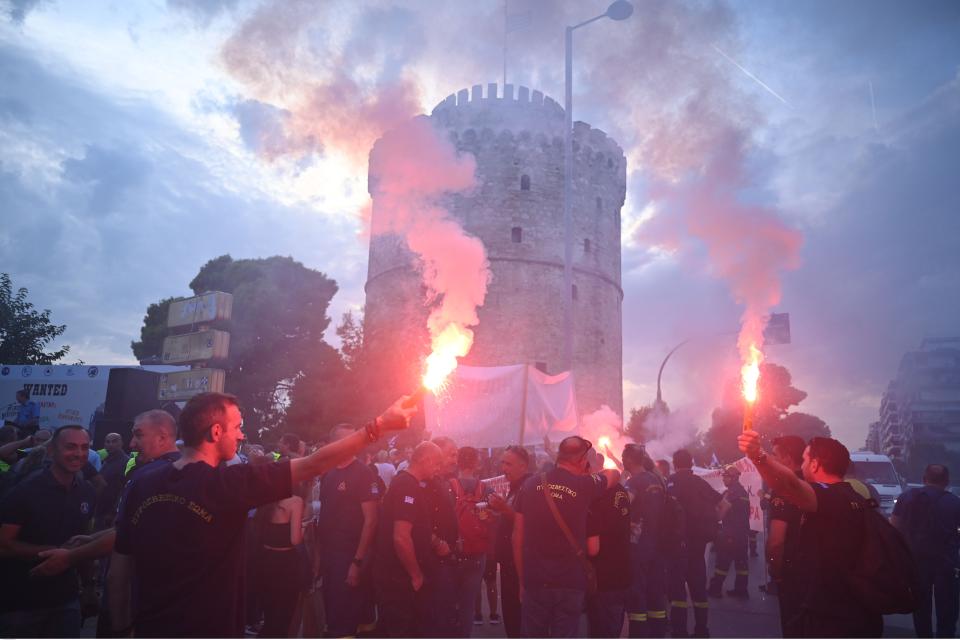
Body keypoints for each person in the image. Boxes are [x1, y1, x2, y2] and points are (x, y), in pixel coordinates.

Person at [108, 391, 414, 638]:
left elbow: (119, 567)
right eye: (238, 427)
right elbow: (312, 465)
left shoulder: (142, 483)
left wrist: (121, 629)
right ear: (216, 431)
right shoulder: (229, 484)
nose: (242, 436)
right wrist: (378, 426)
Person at [738, 430, 884, 637]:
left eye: (805, 459)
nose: (802, 464)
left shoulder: (830, 496)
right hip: (857, 609)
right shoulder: (853, 496)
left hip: (831, 615)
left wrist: (757, 455)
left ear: (815, 464)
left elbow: (788, 485)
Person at [513, 436, 621, 638]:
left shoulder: (529, 486)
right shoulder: (585, 485)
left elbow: (516, 537)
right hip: (570, 583)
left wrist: (522, 581)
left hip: (535, 581)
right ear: (582, 461)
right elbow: (614, 474)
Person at [0, 425, 97, 637]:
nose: (79, 454)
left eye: (84, 447)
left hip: (66, 600)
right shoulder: (25, 490)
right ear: (51, 451)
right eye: (70, 447)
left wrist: (89, 585)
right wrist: (51, 551)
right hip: (21, 603)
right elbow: (3, 545)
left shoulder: (87, 492)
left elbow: (83, 539)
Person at [317, 423, 381, 638]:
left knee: (347, 618)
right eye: (347, 439)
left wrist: (357, 561)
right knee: (334, 612)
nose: (354, 443)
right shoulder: (328, 474)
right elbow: (324, 516)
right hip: (329, 557)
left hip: (350, 557)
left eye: (355, 438)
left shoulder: (364, 473)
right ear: (334, 443)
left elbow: (371, 520)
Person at [376, 441, 443, 638]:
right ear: (427, 460)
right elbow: (401, 537)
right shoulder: (407, 485)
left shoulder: (405, 482)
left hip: (396, 576)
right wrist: (416, 575)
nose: (438, 470)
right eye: (437, 464)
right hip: (399, 579)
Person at [892, 463, 960, 638]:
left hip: (916, 562)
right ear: (947, 481)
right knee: (947, 609)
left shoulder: (905, 498)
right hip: (946, 564)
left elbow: (895, 528)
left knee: (921, 608)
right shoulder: (955, 502)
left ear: (924, 479)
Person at [666, 448, 722, 639]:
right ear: (691, 463)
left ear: (675, 463)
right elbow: (723, 504)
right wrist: (715, 522)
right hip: (698, 545)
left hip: (678, 545)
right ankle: (701, 630)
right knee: (699, 590)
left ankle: (679, 630)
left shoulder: (671, 483)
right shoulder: (700, 482)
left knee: (678, 590)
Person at [253, 461, 304, 638]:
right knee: (283, 614)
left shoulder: (265, 498)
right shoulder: (295, 501)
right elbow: (295, 539)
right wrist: (304, 529)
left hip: (265, 560)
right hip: (285, 564)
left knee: (269, 612)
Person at [487, 445, 532, 638]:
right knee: (511, 618)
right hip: (507, 564)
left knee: (518, 619)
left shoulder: (530, 487)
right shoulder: (514, 487)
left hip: (519, 565)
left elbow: (529, 525)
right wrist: (494, 515)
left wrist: (504, 509)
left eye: (509, 464)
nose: (504, 468)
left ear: (523, 466)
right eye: (502, 463)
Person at [449, 445, 494, 636]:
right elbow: (492, 519)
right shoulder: (485, 488)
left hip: (452, 552)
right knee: (468, 604)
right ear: (476, 464)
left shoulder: (448, 486)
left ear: (458, 462)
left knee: (450, 604)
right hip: (477, 552)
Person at [623, 444, 667, 638]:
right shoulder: (657, 480)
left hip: (638, 547)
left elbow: (621, 507)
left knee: (637, 592)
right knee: (655, 592)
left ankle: (638, 634)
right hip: (657, 545)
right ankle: (658, 633)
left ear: (628, 461)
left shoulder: (634, 483)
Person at [587, 449, 631, 638]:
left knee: (600, 628)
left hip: (601, 576)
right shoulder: (620, 490)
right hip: (620, 571)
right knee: (613, 624)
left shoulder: (593, 496)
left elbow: (593, 547)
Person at [766, 435, 805, 637]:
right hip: (817, 573)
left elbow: (776, 542)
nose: (771, 461)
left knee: (793, 627)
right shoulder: (813, 485)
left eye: (774, 455)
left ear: (788, 458)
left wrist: (776, 572)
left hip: (791, 572)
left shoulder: (784, 488)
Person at [708, 466, 750, 598]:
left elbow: (722, 511)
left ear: (734, 477)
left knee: (722, 562)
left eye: (726, 476)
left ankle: (715, 590)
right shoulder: (741, 491)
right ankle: (741, 591)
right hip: (742, 534)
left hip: (730, 533)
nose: (723, 478)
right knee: (741, 563)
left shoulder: (732, 493)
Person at [95, 432, 129, 529]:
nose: (110, 444)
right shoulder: (107, 460)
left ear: (121, 443)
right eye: (108, 442)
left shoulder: (126, 462)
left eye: (114, 441)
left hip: (109, 515)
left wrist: (112, 513)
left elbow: (123, 490)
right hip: (100, 509)